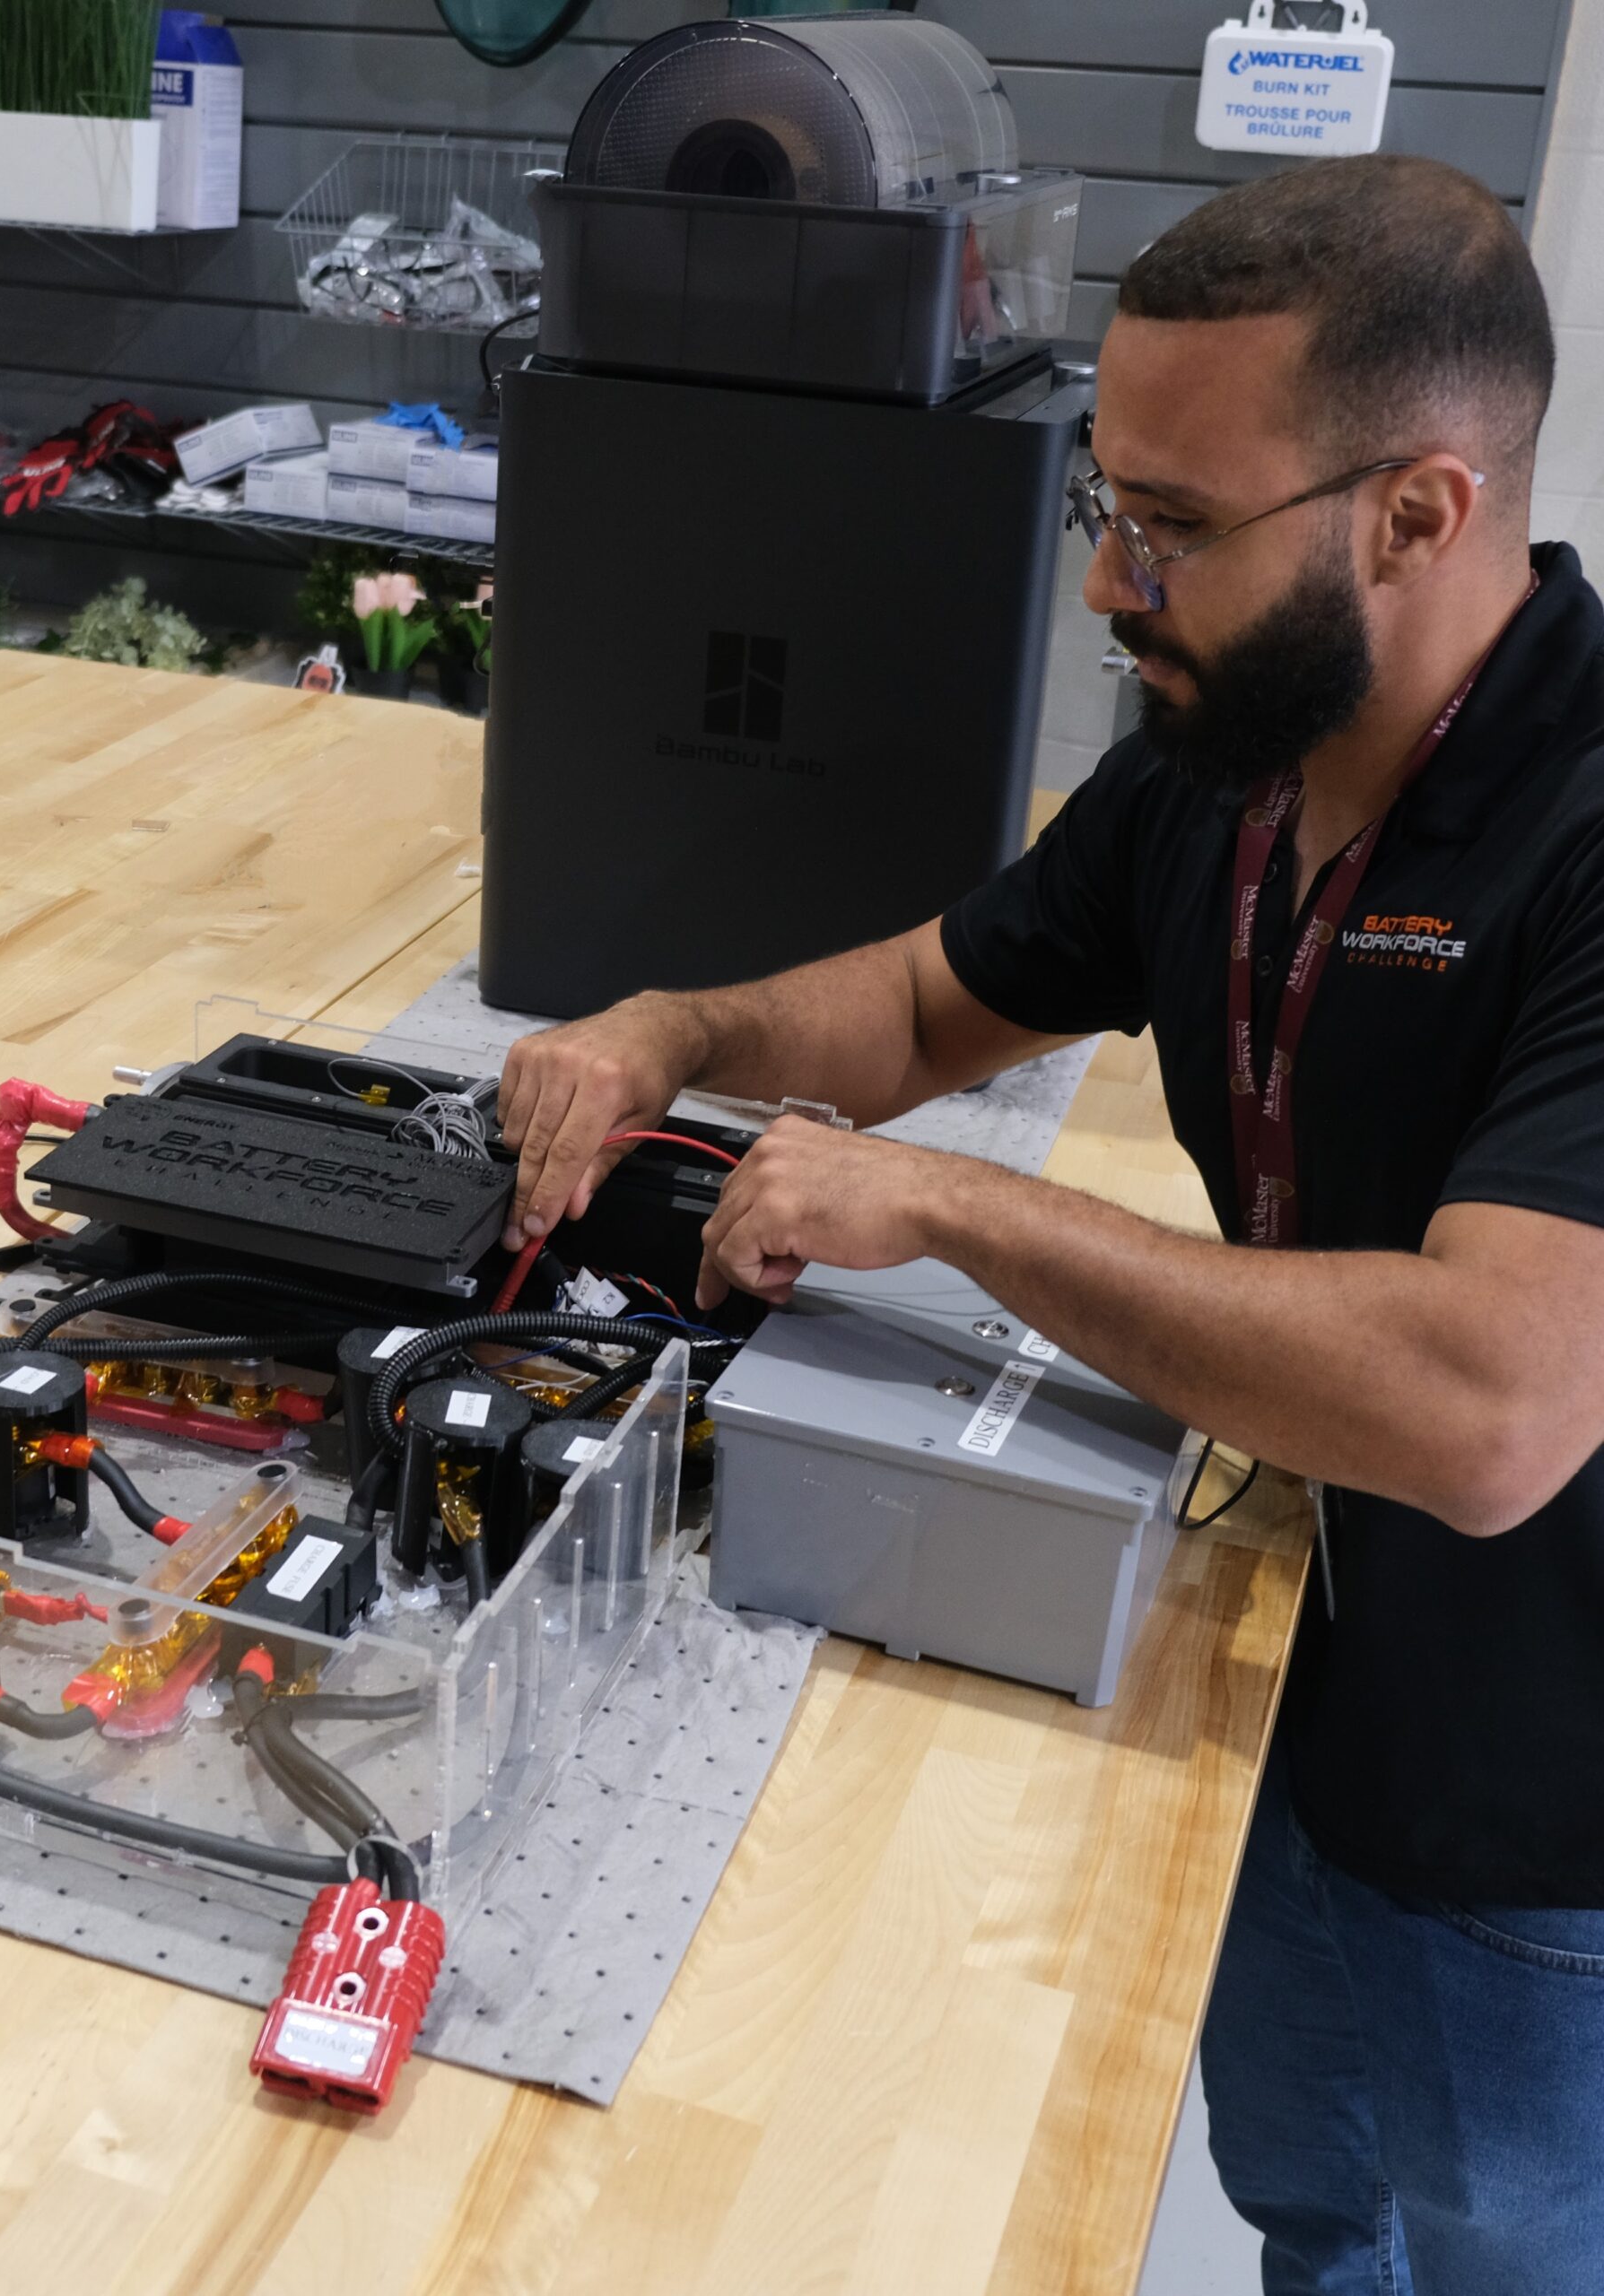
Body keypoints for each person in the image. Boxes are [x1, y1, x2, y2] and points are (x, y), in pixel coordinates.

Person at [496, 154, 1604, 2293]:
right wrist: (676, 1025)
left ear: (1415, 512)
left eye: (1175, 528)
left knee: (1500, 2245)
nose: (1114, 580)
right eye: (1112, 501)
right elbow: (924, 997)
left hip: (1539, 1790)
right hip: (1298, 1647)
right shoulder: (1228, 757)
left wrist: (955, 1206)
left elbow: (1491, 1408)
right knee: (1306, 2191)